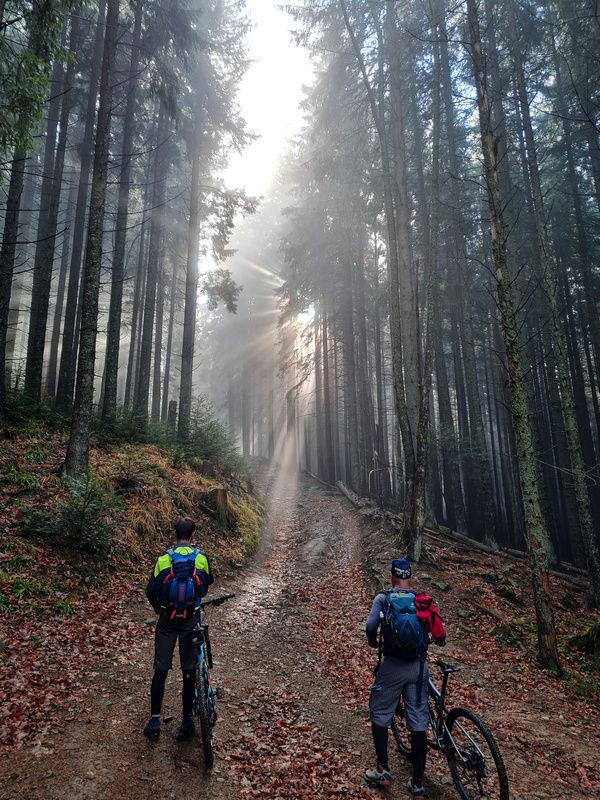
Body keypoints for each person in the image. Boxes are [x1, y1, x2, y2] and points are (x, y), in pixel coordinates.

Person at [364, 558, 446, 797]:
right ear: (409, 577)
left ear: (392, 576)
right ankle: (418, 784)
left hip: (392, 667)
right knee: (419, 720)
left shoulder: (383, 598)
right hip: (418, 668)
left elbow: (371, 626)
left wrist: (373, 642)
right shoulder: (420, 599)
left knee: (380, 712)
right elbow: (437, 631)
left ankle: (383, 770)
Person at [143, 517, 213, 742]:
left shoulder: (164, 559)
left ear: (175, 535)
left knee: (160, 671)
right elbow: (205, 585)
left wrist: (159, 610)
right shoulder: (201, 558)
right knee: (189, 671)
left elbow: (150, 590)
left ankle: (154, 722)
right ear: (192, 536)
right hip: (190, 621)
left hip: (167, 621)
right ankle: (185, 723)